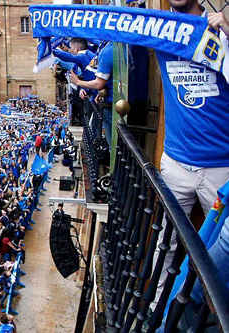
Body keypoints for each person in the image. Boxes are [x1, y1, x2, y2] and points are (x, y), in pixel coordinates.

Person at [149, 0, 229, 312]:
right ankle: (157, 311)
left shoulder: (220, 31)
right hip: (175, 164)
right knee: (165, 246)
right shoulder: (156, 29)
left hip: (222, 168)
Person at [70, 41, 114, 147]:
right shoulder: (108, 48)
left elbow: (99, 82)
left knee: (113, 145)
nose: (70, 50)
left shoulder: (107, 50)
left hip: (112, 104)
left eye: (71, 48)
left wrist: (78, 82)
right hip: (108, 100)